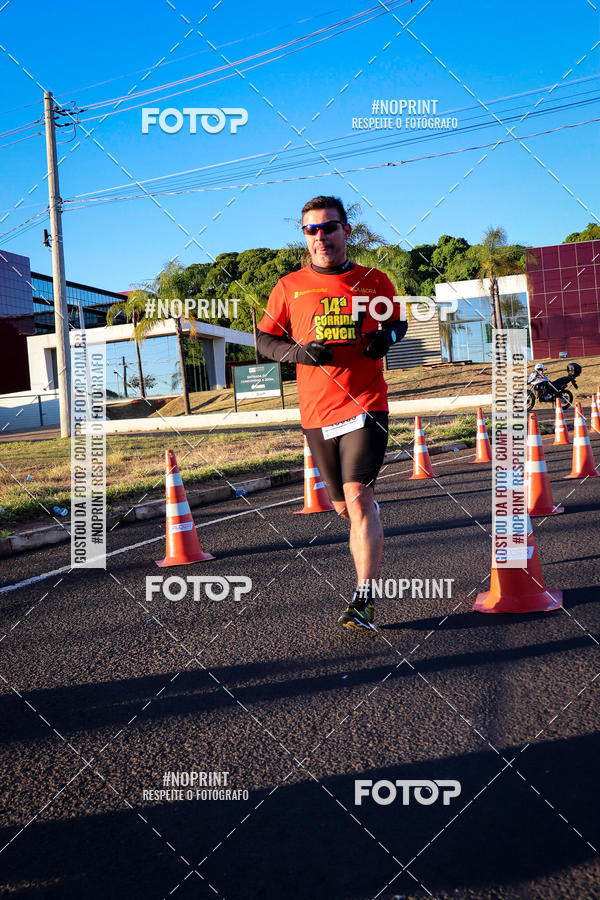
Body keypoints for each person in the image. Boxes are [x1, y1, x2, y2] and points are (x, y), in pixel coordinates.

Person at [256, 195, 407, 630]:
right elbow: (263, 340)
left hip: (366, 404)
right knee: (344, 507)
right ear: (305, 236)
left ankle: (364, 597)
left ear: (346, 231)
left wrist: (386, 340)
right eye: (311, 229)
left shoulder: (374, 280)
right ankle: (368, 529)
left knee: (358, 497)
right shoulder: (289, 287)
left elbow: (397, 321)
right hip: (317, 413)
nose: (320, 236)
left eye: (329, 227)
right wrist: (298, 353)